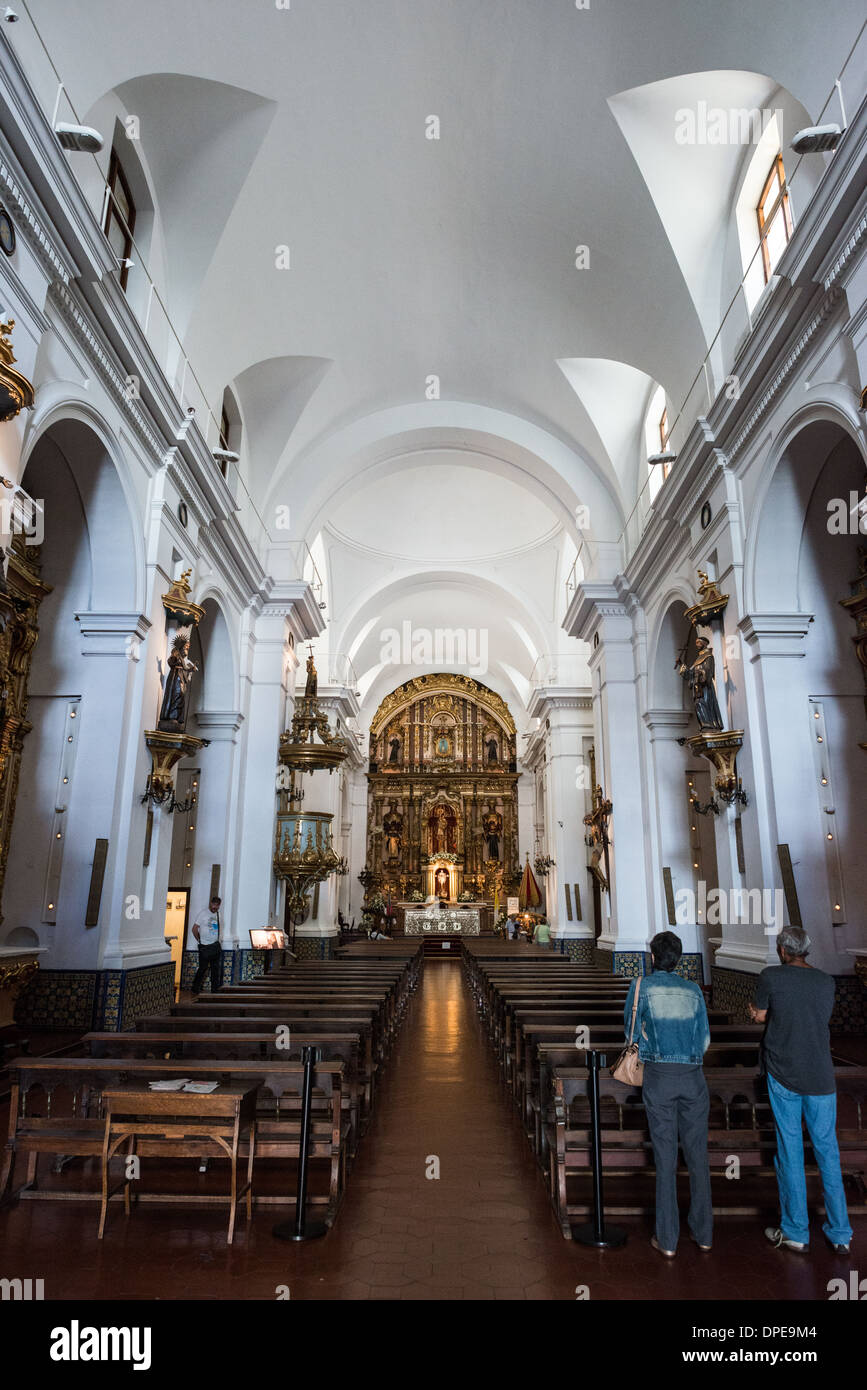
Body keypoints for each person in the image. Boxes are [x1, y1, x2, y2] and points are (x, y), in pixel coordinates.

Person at [749, 926, 852, 1254]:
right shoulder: (826, 981)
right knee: (828, 1152)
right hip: (821, 1076)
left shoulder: (771, 976)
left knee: (790, 1152)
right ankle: (841, 1233)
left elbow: (761, 1014)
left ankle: (795, 1231)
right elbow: (816, 1017)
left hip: (784, 1074)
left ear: (782, 950)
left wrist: (755, 1014)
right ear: (806, 950)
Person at [622, 930, 712, 1257]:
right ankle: (704, 1234)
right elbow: (704, 1040)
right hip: (693, 1078)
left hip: (659, 1077)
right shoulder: (694, 990)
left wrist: (653, 1051)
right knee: (698, 1157)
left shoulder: (641, 987)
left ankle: (668, 1239)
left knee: (665, 1158)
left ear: (652, 956)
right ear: (679, 958)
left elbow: (630, 1033)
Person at [191, 895, 222, 994]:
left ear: (219, 906)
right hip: (204, 946)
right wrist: (200, 941)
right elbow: (194, 929)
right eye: (214, 904)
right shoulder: (203, 914)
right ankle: (195, 988)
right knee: (202, 969)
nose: (215, 907)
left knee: (215, 970)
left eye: (217, 905)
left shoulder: (218, 915)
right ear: (211, 904)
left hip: (215, 946)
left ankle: (215, 989)